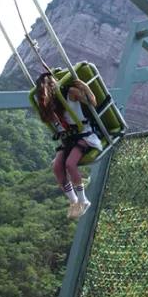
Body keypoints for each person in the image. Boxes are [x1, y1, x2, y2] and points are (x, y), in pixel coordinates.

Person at [30, 71, 101, 220]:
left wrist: (86, 87)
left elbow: (92, 103)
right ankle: (74, 201)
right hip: (68, 138)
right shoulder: (50, 106)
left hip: (84, 134)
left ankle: (83, 200)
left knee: (70, 164)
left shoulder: (70, 93)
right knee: (57, 167)